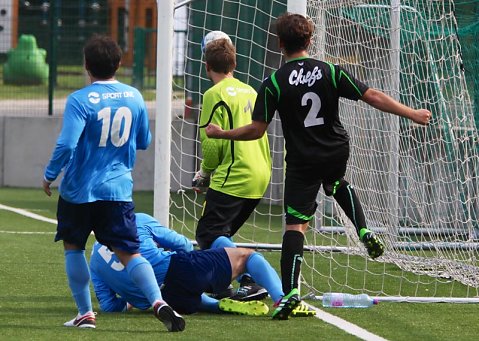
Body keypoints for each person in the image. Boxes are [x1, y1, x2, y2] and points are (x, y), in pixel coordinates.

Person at [205, 12, 433, 310]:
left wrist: (223, 134)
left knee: (295, 226)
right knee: (336, 182)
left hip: (302, 161)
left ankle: (289, 294)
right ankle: (362, 229)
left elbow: (256, 130)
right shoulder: (330, 70)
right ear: (309, 41)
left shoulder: (273, 82)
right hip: (335, 149)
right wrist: (412, 113)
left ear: (279, 43)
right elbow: (372, 95)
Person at [42, 35, 184, 332]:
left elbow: (67, 144)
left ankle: (85, 314)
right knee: (130, 253)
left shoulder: (79, 100)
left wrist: (50, 174)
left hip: (79, 191)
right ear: (119, 64)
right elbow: (143, 140)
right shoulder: (134, 97)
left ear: (86, 66)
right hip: (118, 191)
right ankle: (158, 302)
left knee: (74, 248)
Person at [90, 213, 297, 320]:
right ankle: (281, 299)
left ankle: (215, 305)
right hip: (182, 270)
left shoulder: (94, 261)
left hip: (168, 301)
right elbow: (183, 244)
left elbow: (109, 306)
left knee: (181, 290)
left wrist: (135, 300)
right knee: (248, 256)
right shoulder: (136, 220)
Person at [192, 37, 272, 301]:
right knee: (220, 234)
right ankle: (220, 282)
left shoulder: (213, 94)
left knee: (208, 233)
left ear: (206, 66)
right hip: (260, 173)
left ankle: (251, 279)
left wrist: (204, 174)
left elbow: (212, 145)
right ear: (234, 64)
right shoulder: (250, 90)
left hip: (235, 174)